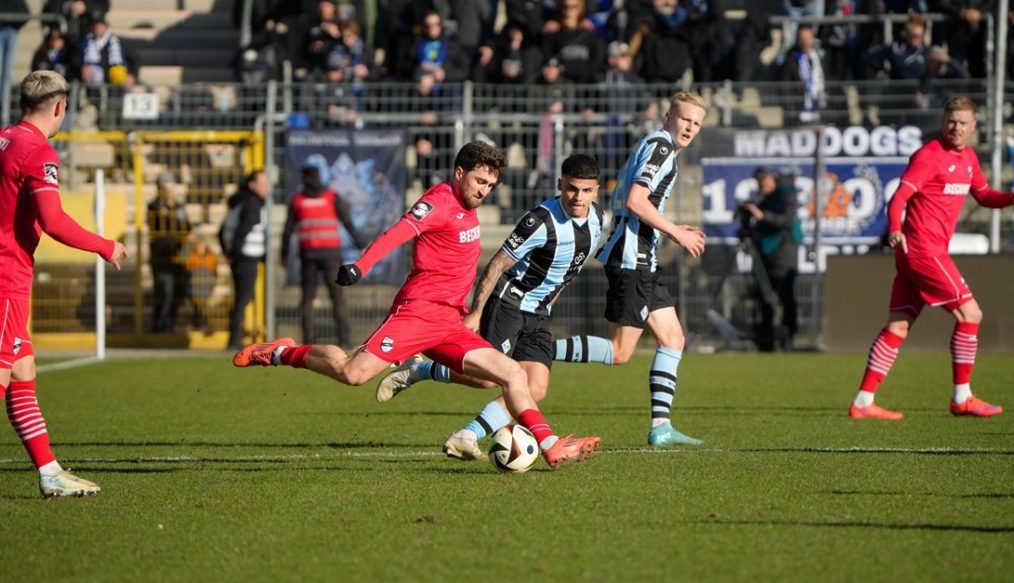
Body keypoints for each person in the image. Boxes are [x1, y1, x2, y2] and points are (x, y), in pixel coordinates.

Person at [233, 141, 600, 469]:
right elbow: (397, 232)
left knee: (511, 374)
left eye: (490, 185)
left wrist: (469, 313)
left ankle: (551, 447)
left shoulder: (467, 208)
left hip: (450, 322)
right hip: (417, 313)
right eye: (478, 182)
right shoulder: (439, 201)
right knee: (352, 373)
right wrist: (360, 265)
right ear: (459, 173)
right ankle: (282, 352)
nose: (483, 191)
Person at [374, 153, 605, 460]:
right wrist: (476, 312)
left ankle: (466, 435)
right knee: (487, 377)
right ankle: (421, 369)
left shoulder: (597, 220)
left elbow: (566, 269)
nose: (578, 197)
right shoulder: (540, 221)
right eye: (572, 189)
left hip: (538, 314)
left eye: (586, 190)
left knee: (534, 388)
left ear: (597, 190)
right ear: (560, 184)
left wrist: (551, 297)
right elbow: (496, 265)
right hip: (508, 302)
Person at [554, 92, 708, 447]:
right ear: (669, 116)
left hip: (643, 258)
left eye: (696, 123)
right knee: (621, 352)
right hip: (631, 258)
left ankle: (661, 427)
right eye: (685, 119)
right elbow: (635, 201)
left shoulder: (657, 146)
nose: (690, 127)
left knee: (673, 338)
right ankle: (538, 348)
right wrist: (678, 232)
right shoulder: (661, 147)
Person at [0, 70, 128, 497]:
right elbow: (53, 221)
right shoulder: (39, 152)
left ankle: (50, 471)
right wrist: (104, 245)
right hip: (5, 276)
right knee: (2, 371)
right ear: (60, 107)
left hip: (10, 273)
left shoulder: (3, 138)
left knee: (22, 369)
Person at [848, 96, 1014, 420]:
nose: (956, 128)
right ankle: (962, 397)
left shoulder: (968, 160)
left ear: (973, 127)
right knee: (971, 315)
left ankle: (864, 401)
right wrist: (895, 228)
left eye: (963, 123)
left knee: (898, 326)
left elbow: (984, 196)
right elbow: (900, 196)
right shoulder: (929, 156)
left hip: (917, 254)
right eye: (951, 121)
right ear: (943, 122)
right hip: (923, 249)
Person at [281, 165, 367, 347]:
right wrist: (361, 244)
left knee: (307, 298)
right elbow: (347, 221)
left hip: (308, 254)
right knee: (337, 296)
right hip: (331, 254)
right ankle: (344, 340)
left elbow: (287, 231)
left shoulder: (297, 200)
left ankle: (308, 341)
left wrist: (283, 255)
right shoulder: (331, 196)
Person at [741, 168, 800, 352]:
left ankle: (788, 338)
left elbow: (787, 221)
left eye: (764, 182)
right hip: (763, 253)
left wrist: (763, 215)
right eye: (759, 183)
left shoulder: (786, 196)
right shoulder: (762, 197)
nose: (762, 186)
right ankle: (765, 340)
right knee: (763, 296)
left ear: (773, 180)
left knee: (786, 297)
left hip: (784, 253)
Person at [224, 170, 270, 350]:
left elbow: (224, 230)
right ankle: (234, 338)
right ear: (252, 185)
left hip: (243, 257)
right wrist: (235, 254)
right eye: (263, 182)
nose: (266, 187)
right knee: (243, 298)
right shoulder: (252, 204)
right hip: (246, 258)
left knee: (243, 297)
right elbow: (243, 230)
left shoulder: (242, 203)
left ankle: (236, 335)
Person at [147, 172, 191, 333]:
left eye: (171, 188)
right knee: (164, 292)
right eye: (165, 188)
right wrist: (164, 209)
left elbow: (187, 227)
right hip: (161, 258)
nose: (169, 192)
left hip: (177, 257)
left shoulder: (178, 207)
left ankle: (169, 323)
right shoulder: (153, 207)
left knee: (178, 293)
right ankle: (160, 326)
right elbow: (156, 227)